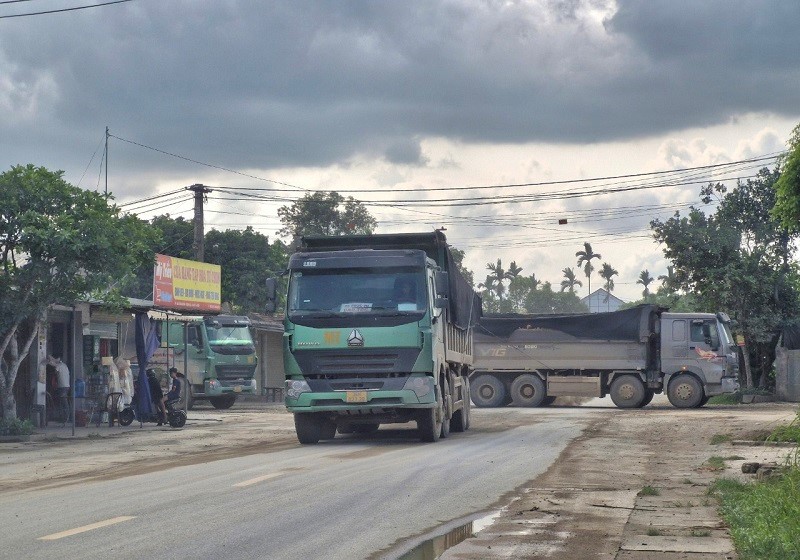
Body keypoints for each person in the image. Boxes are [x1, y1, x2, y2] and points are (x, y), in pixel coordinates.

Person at [49, 355, 71, 425]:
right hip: (66, 386)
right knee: (64, 402)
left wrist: (49, 362)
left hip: (62, 386)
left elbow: (55, 372)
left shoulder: (58, 365)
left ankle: (65, 418)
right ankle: (65, 417)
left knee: (63, 403)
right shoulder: (64, 365)